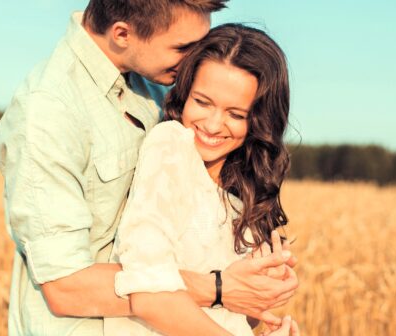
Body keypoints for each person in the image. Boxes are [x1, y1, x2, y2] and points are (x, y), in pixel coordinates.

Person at [0, 1, 299, 334]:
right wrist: (219, 289)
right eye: (183, 47)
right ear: (122, 33)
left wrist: (253, 298)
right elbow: (65, 286)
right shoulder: (48, 111)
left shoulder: (157, 84)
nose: (194, 60)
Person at [104, 24, 300, 335]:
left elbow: (230, 312)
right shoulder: (170, 147)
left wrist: (260, 295)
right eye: (202, 102)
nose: (211, 124)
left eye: (236, 114)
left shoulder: (242, 189)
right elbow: (147, 295)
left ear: (260, 121)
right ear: (184, 95)